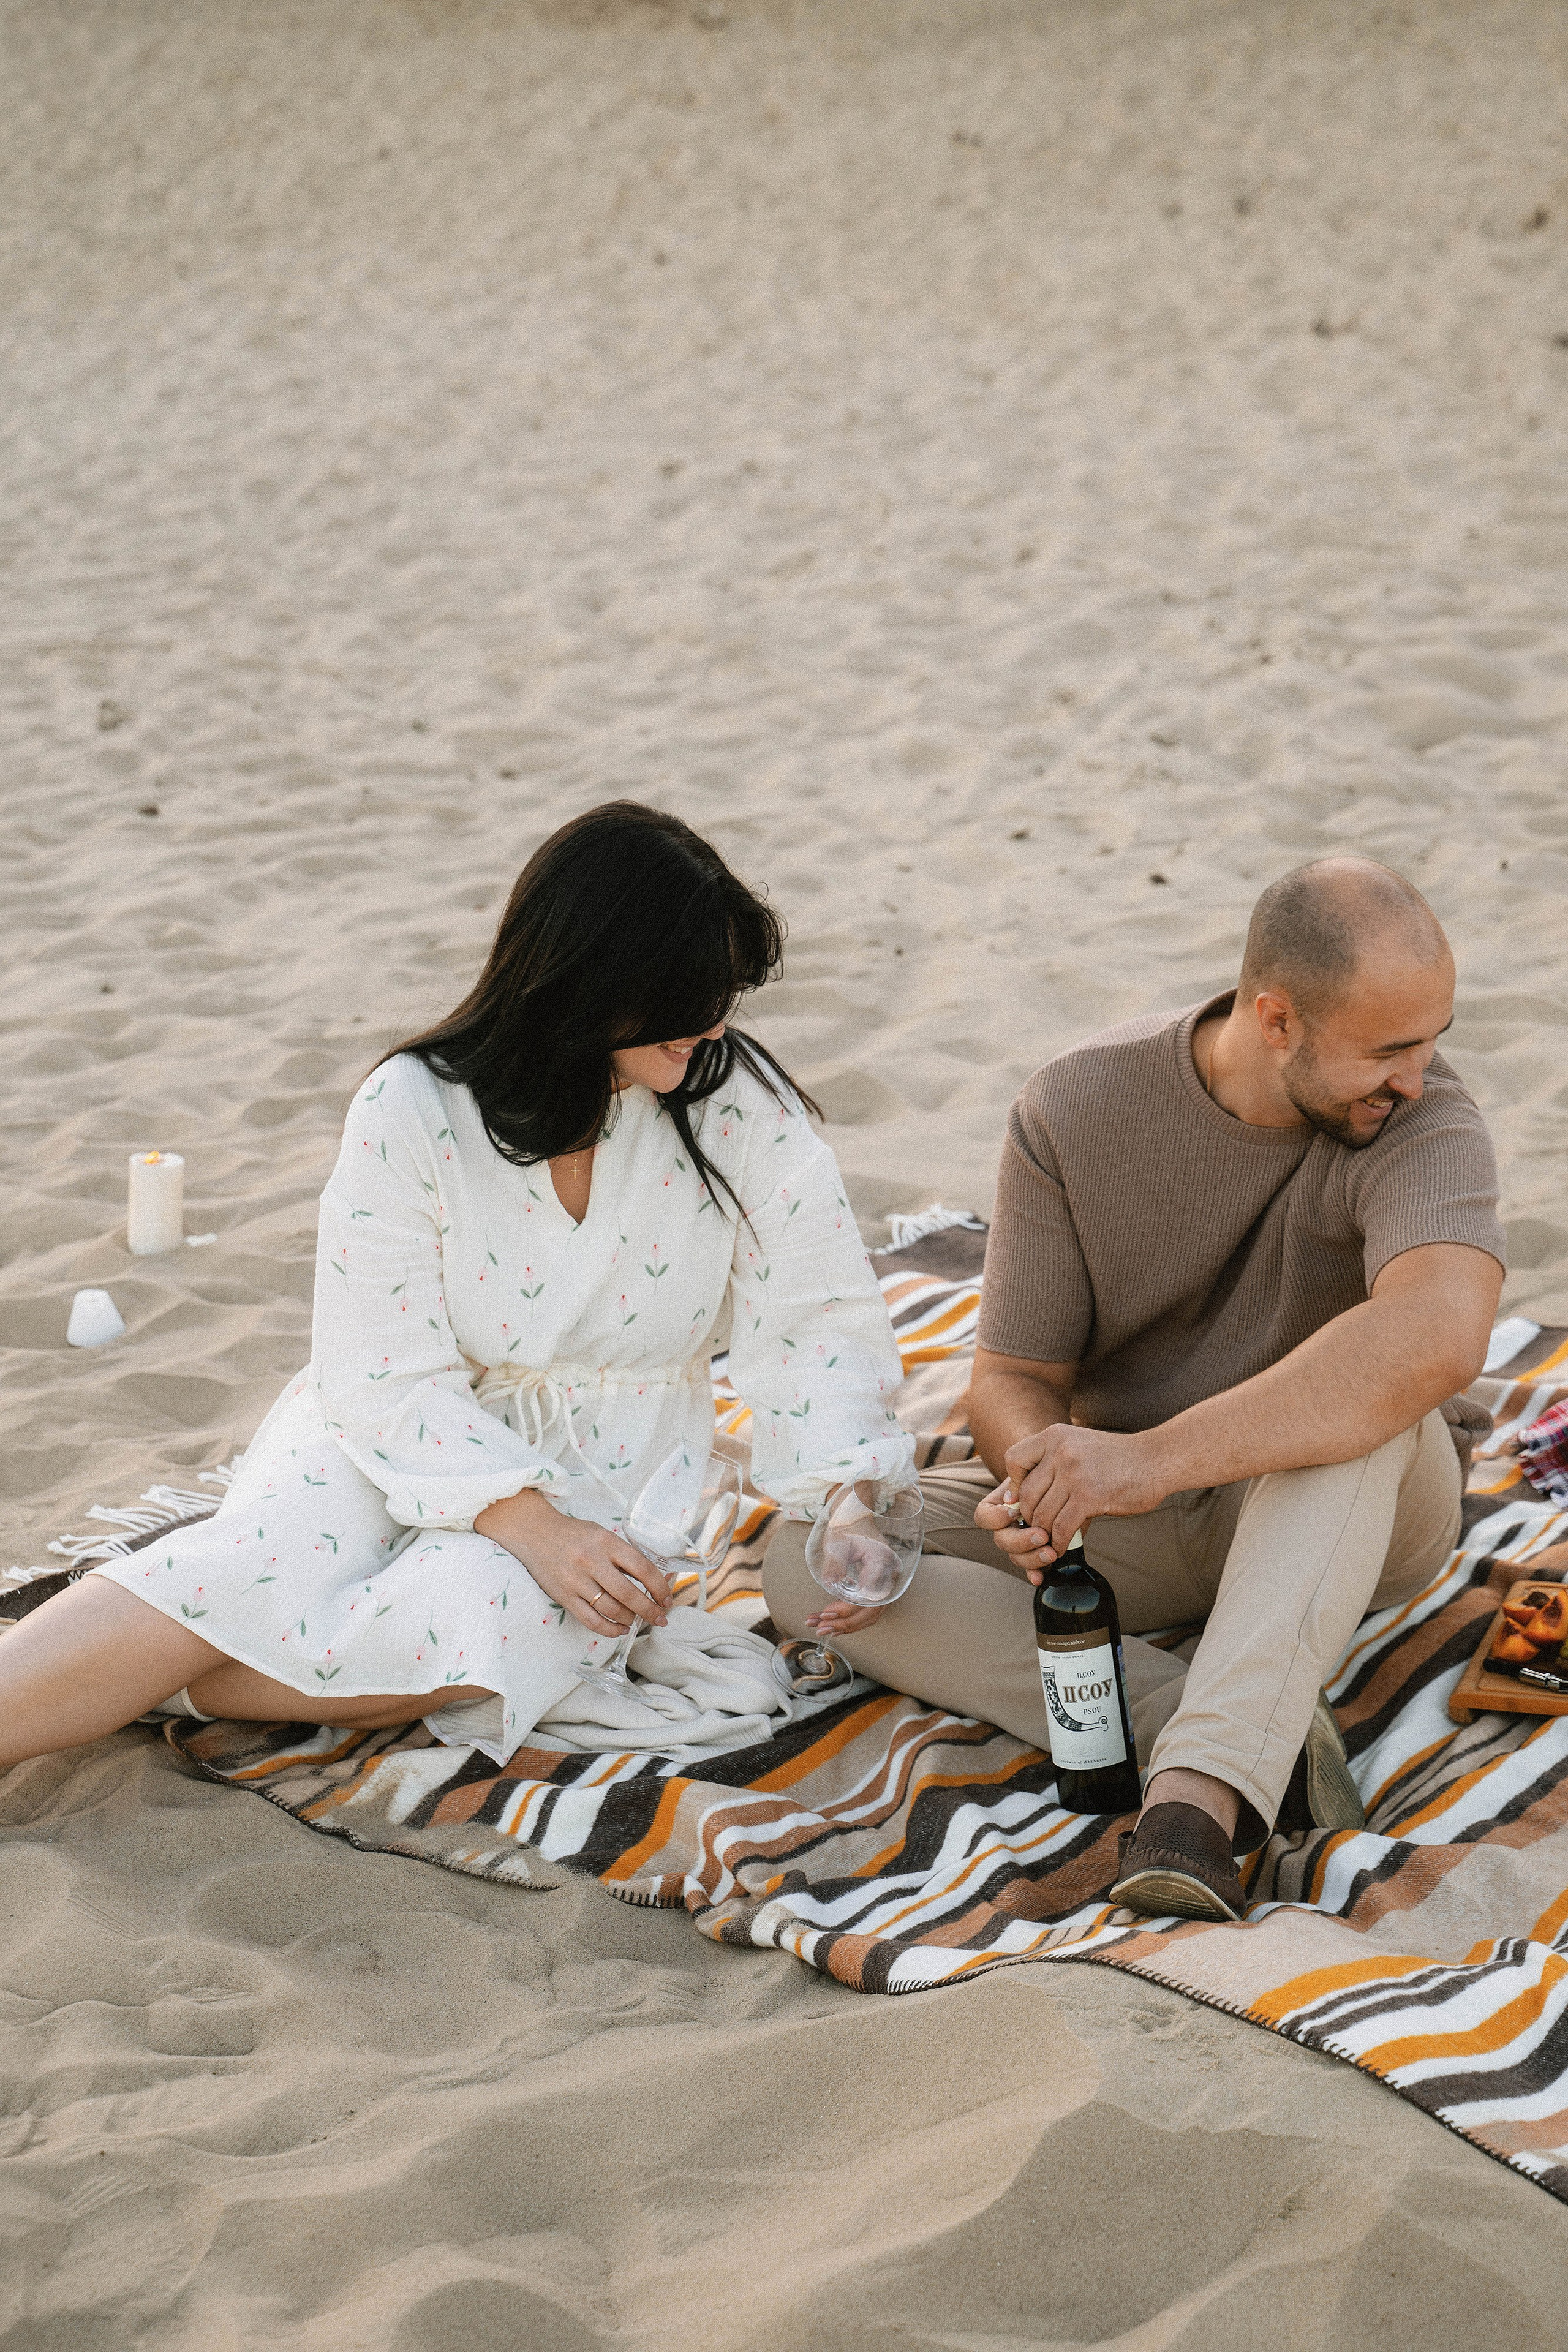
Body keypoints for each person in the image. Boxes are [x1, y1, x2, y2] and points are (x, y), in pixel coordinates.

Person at [1, 804, 914, 1772]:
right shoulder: (410, 1106)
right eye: (689, 993)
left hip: (610, 1463)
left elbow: (818, 1323)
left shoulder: (738, 1107)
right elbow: (378, 1365)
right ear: (594, 978)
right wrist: (527, 1522)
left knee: (485, 1627)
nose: (716, 1022)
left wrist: (847, 1495)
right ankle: (129, 1662)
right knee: (250, 1563)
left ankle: (150, 1675)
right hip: (391, 1424)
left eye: (724, 990)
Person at [765, 857, 1505, 1920]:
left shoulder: (1424, 1122)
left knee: (1364, 1396)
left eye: (1433, 1040)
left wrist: (1146, 1458)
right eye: (1390, 1049)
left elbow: (1435, 1338)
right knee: (814, 1560)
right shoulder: (1078, 1104)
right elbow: (1017, 1376)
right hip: (1140, 1513)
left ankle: (1200, 1804)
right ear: (1278, 1020)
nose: (1421, 1078)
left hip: (1351, 1509)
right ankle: (1225, 1722)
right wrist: (1039, 1469)